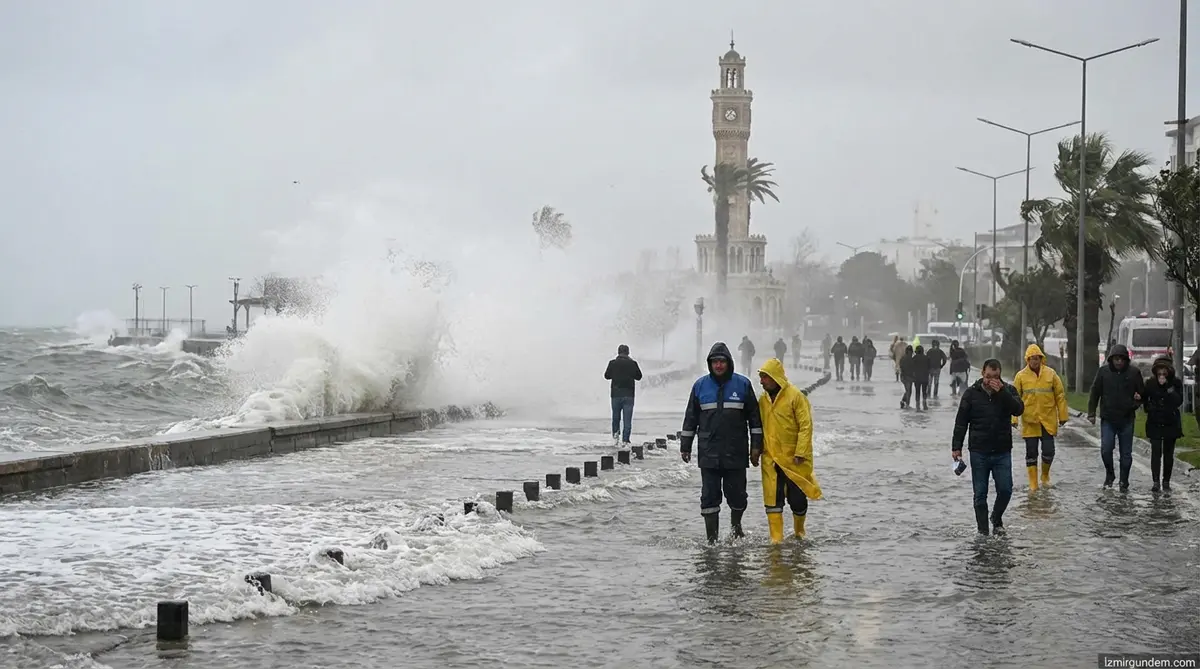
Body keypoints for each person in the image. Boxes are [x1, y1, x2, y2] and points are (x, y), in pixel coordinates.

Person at [680, 342, 764, 543]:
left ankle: (736, 528)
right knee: (709, 496)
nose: (718, 365)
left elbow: (755, 420)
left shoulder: (742, 384)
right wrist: (685, 446)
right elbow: (690, 417)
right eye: (715, 362)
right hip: (708, 452)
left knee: (738, 495)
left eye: (722, 362)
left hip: (736, 451)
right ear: (710, 364)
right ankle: (712, 540)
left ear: (729, 363)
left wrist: (756, 447)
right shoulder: (700, 386)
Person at [952, 359, 1025, 535]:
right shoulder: (971, 394)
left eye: (995, 377)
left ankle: (996, 517)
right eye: (988, 376)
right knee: (980, 494)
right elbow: (961, 422)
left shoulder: (1008, 390)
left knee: (1006, 489)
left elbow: (1018, 409)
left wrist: (1002, 392)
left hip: (1002, 451)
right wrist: (956, 447)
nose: (991, 380)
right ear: (982, 374)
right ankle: (983, 531)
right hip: (979, 451)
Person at [756, 358, 823, 543]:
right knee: (772, 501)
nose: (761, 382)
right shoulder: (762, 400)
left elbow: (805, 426)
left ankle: (799, 532)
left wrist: (800, 452)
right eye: (760, 377)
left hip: (794, 461)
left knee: (797, 501)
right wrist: (755, 449)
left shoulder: (795, 397)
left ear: (775, 377)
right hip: (771, 459)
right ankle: (775, 542)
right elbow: (758, 426)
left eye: (764, 377)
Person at [1087, 344, 1146, 492]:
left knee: (1126, 455)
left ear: (1126, 360)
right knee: (1106, 449)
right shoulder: (1103, 372)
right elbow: (1095, 392)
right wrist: (1091, 412)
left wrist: (1137, 402)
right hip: (1108, 418)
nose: (1119, 362)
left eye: (1121, 359)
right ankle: (1110, 474)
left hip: (1127, 419)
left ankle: (1124, 481)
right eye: (1116, 359)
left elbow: (1142, 393)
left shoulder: (1134, 373)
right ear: (1111, 359)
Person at [1012, 344, 1068, 491]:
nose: (1034, 362)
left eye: (1037, 358)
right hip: (1030, 420)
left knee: (1049, 451)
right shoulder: (1021, 376)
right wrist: (1014, 419)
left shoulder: (1051, 374)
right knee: (1031, 452)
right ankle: (1033, 483)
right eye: (1032, 359)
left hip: (1048, 419)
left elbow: (1060, 395)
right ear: (1027, 360)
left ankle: (1045, 475)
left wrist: (1063, 416)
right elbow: (1014, 398)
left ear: (1041, 359)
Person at [1143, 357, 1183, 493]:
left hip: (1170, 422)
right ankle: (1155, 481)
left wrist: (1167, 387)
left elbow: (1178, 401)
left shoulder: (1175, 383)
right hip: (1154, 421)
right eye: (1159, 371)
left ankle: (1166, 481)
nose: (1161, 374)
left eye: (1164, 371)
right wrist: (1149, 406)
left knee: (1168, 453)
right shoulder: (1150, 383)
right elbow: (1145, 400)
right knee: (1156, 451)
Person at [603, 344, 643, 445]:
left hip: (616, 394)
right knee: (627, 419)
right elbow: (639, 377)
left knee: (616, 418)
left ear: (618, 352)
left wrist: (616, 374)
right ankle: (625, 440)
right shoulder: (633, 363)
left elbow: (607, 376)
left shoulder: (612, 363)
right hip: (629, 395)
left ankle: (615, 439)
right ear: (628, 352)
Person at [911, 345, 931, 410]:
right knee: (924, 391)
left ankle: (917, 405)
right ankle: (924, 404)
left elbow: (912, 367)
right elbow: (929, 367)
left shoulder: (914, 358)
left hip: (917, 378)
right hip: (925, 377)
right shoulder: (927, 358)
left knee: (917, 391)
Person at [899, 345, 915, 409]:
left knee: (908, 391)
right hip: (908, 377)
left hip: (904, 376)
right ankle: (907, 404)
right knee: (908, 391)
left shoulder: (903, 358)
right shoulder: (911, 359)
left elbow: (901, 367)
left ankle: (903, 401)